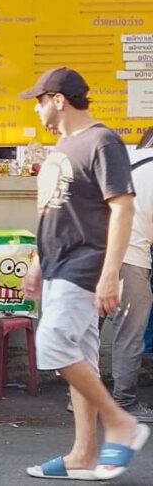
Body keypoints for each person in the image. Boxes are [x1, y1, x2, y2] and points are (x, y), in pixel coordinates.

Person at [20, 67, 149, 480]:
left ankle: (120, 423)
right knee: (82, 360)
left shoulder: (102, 140)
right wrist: (39, 264)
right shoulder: (62, 146)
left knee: (53, 345)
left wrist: (111, 273)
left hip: (85, 264)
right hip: (59, 264)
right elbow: (55, 212)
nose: (37, 109)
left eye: (39, 101)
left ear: (58, 99)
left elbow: (123, 206)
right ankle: (82, 453)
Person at [111, 128, 153, 422]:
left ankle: (79, 398)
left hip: (87, 251)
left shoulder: (126, 158)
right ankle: (124, 401)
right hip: (128, 254)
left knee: (88, 329)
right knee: (129, 330)